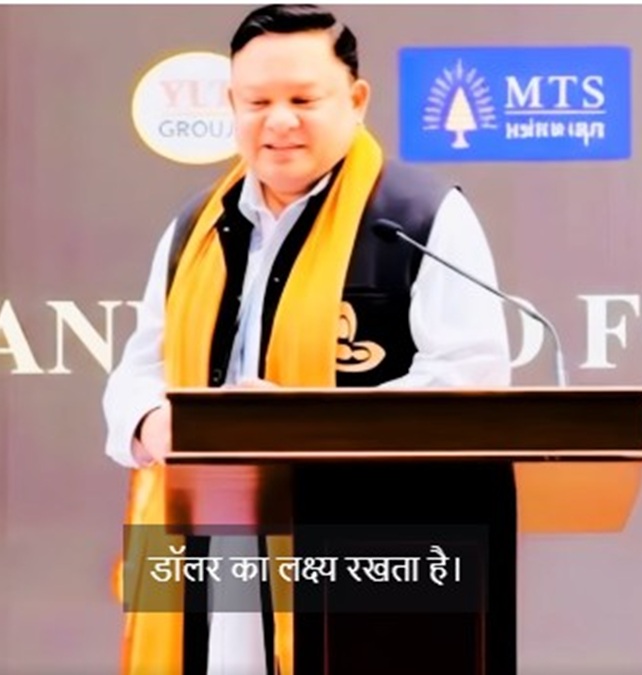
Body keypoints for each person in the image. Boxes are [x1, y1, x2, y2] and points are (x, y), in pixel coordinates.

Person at [103, 4, 513, 674]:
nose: (279, 121)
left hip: (370, 548)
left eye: (302, 99)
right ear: (231, 105)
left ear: (356, 100)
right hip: (212, 538)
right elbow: (137, 370)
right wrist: (154, 423)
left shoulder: (420, 217)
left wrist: (303, 427)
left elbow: (470, 380)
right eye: (258, 101)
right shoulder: (195, 227)